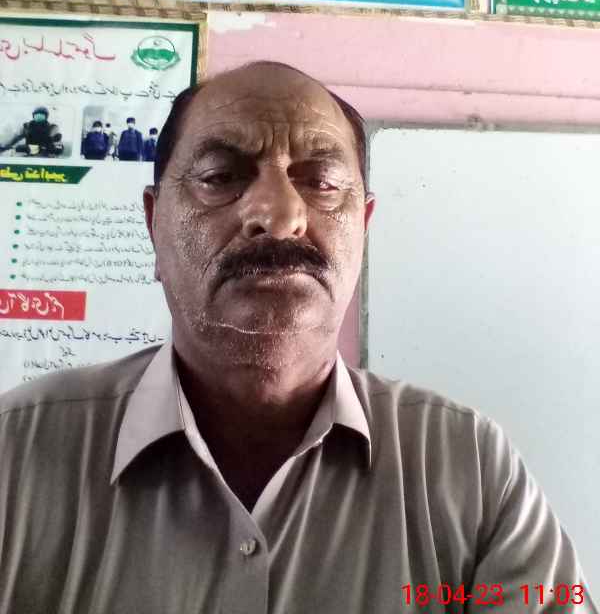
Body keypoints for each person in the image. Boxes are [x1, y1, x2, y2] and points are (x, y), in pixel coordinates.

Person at [0, 62, 597, 613]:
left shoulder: (471, 465)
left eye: (323, 181)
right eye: (219, 177)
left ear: (362, 229)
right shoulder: (14, 453)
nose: (280, 215)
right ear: (155, 225)